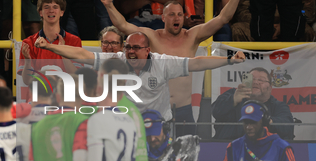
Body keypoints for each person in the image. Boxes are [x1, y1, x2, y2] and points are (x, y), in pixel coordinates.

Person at [100, 0, 247, 136]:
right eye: (171, 15)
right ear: (163, 18)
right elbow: (123, 25)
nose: (176, 18)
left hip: (184, 111)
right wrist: (109, 5)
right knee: (151, 157)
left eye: (179, 15)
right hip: (156, 111)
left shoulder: (192, 36)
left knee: (185, 158)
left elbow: (222, 19)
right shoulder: (152, 37)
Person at [34, 31, 247, 121]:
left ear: (147, 50)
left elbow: (197, 62)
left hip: (158, 126)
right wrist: (50, 46)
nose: (131, 52)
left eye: (136, 48)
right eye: (128, 47)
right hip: (125, 123)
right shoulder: (117, 60)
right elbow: (83, 55)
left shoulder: (163, 63)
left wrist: (229, 60)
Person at [212, 67, 294, 141]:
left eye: (261, 80)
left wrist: (266, 120)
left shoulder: (278, 106)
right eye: (252, 79)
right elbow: (215, 111)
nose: (255, 82)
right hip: (227, 147)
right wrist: (233, 100)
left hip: (266, 150)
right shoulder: (232, 94)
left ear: (270, 88)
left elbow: (287, 126)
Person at [20, 0, 81, 87]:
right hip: (39, 95)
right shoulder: (28, 43)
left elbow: (76, 77)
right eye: (46, 7)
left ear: (62, 12)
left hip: (65, 96)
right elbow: (27, 81)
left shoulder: (74, 41)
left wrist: (64, 53)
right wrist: (27, 61)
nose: (51, 10)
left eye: (55, 7)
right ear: (40, 12)